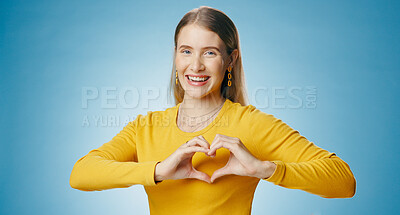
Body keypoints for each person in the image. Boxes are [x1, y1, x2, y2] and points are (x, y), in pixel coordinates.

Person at [69, 6, 356, 215]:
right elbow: (81, 174)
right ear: (175, 55)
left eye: (210, 52)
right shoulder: (146, 127)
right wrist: (158, 170)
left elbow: (343, 180)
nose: (195, 66)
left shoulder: (252, 124)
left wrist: (263, 169)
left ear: (230, 60)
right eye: (186, 51)